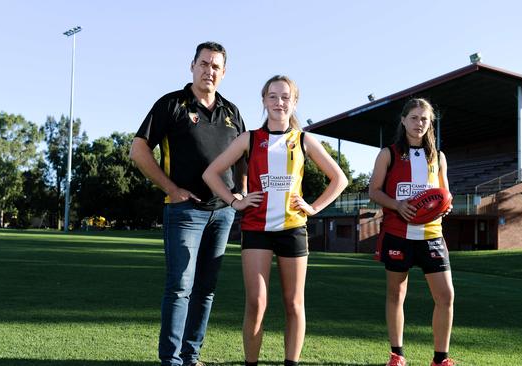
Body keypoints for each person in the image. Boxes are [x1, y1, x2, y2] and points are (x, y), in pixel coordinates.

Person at [203, 75, 347, 366]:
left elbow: (339, 179)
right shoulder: (250, 138)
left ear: (294, 102)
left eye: (285, 97)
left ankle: (290, 363)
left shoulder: (304, 139)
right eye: (273, 96)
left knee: (294, 304)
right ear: (264, 100)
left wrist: (314, 207)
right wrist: (236, 201)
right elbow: (211, 173)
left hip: (293, 229)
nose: (279, 102)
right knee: (256, 303)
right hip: (256, 228)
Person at [130, 41, 246, 366]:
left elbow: (244, 158)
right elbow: (138, 150)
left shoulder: (232, 112)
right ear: (192, 66)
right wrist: (171, 187)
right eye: (204, 64)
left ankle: (191, 356)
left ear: (224, 73)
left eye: (215, 66)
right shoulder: (171, 105)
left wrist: (241, 192)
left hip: (222, 215)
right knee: (180, 285)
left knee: (206, 289)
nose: (209, 71)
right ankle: (171, 360)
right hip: (184, 212)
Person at [368, 98, 456, 366]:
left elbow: (445, 194)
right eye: (414, 118)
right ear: (404, 120)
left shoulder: (438, 157)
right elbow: (374, 191)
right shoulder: (388, 154)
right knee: (396, 294)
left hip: (432, 235)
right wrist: (396, 205)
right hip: (398, 235)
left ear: (431, 124)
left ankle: (440, 359)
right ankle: (397, 355)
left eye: (425, 119)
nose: (419, 123)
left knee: (446, 296)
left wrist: (445, 207)